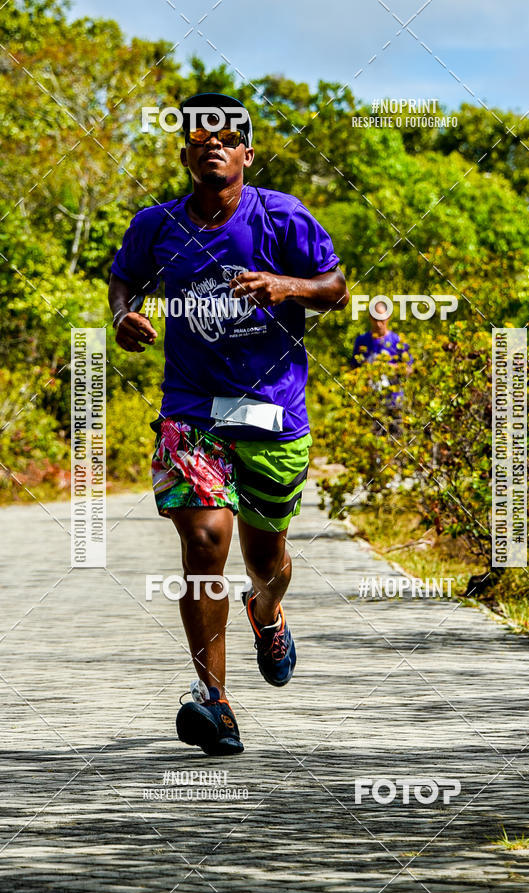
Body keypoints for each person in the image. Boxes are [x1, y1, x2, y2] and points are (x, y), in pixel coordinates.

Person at [108, 92, 348, 755]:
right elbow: (123, 277)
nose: (211, 142)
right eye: (198, 135)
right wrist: (124, 314)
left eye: (226, 136)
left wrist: (288, 286)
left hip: (275, 413)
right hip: (191, 413)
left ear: (246, 151)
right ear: (185, 151)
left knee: (265, 558)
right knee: (206, 542)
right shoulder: (156, 225)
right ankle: (214, 699)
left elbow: (336, 286)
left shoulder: (282, 216)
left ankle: (266, 612)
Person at [351, 300, 413, 427]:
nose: (379, 324)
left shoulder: (397, 341)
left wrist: (388, 368)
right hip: (369, 402)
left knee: (395, 438)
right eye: (375, 319)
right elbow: (353, 368)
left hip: (394, 402)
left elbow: (410, 369)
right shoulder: (362, 341)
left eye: (382, 319)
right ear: (370, 317)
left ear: (388, 317)